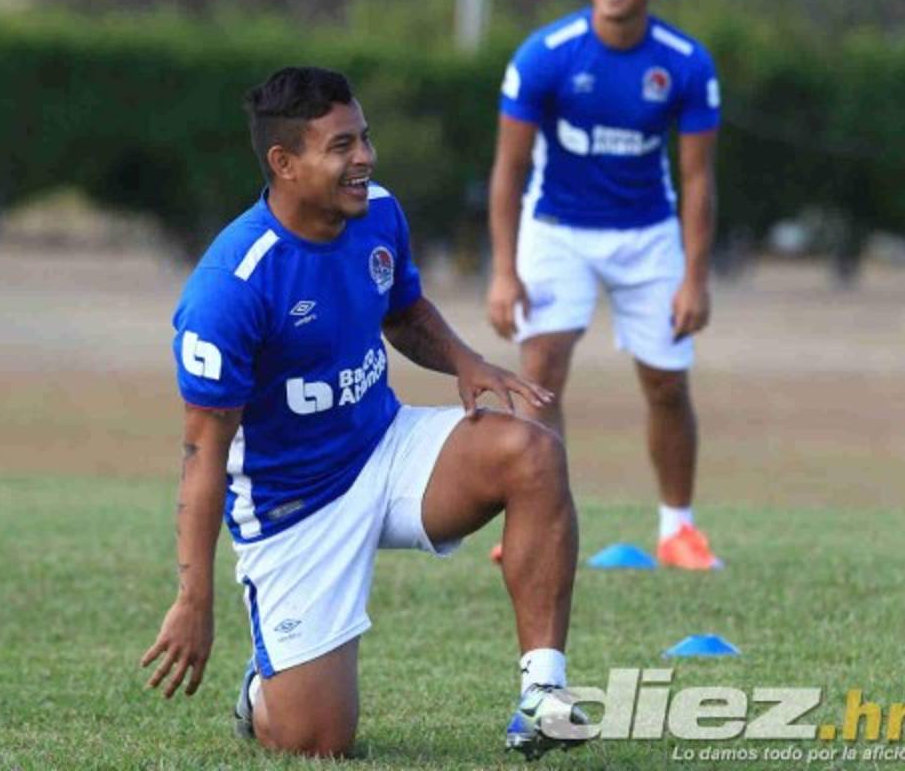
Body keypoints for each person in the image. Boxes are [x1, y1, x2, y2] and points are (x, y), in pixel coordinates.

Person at [142, 66, 590, 760]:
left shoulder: (377, 211)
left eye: (365, 138)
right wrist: (192, 599)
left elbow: (402, 308)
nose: (366, 159)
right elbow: (204, 457)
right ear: (284, 164)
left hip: (385, 445)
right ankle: (265, 691)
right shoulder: (229, 289)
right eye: (343, 146)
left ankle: (543, 693)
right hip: (295, 509)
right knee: (317, 744)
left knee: (531, 452)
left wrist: (466, 361)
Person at [486, 0, 723, 570]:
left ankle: (678, 531)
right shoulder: (544, 56)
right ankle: (540, 523)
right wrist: (504, 271)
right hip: (556, 229)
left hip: (648, 235)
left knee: (667, 383)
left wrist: (695, 275)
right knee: (540, 371)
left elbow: (697, 180)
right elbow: (509, 170)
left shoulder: (686, 63)